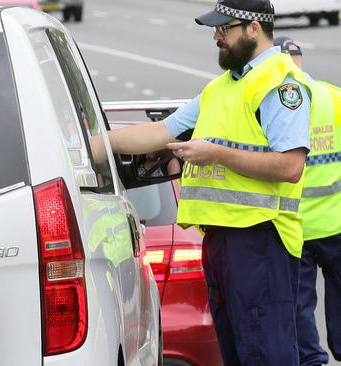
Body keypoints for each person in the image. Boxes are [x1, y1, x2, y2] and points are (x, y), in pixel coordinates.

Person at [97, 0, 313, 364]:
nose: (216, 36)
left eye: (223, 28)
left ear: (253, 29)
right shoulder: (220, 88)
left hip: (261, 240)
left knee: (266, 355)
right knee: (237, 353)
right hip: (221, 241)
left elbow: (291, 165)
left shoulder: (280, 85)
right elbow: (159, 133)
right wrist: (90, 145)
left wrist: (215, 153)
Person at [275, 36, 341, 366]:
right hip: (335, 222)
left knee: (299, 303)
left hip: (296, 226)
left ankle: (312, 360)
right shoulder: (333, 97)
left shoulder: (274, 104)